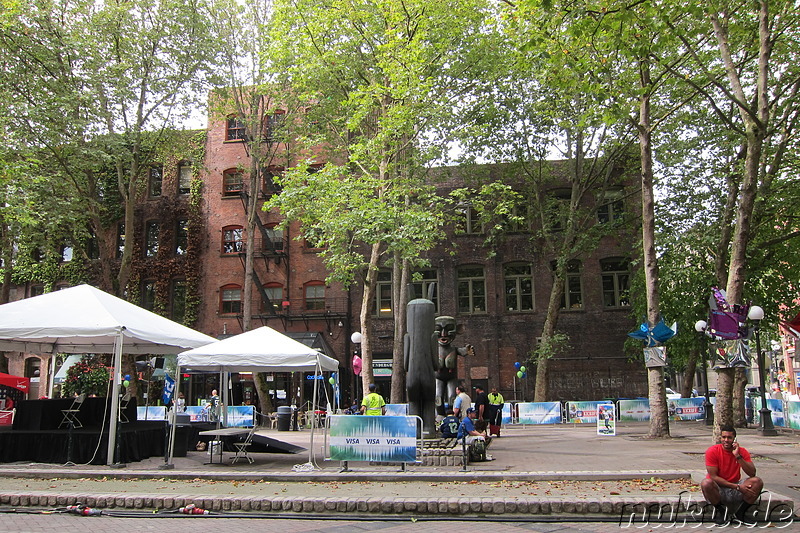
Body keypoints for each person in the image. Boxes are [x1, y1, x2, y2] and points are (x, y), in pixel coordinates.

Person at [700, 424, 764, 524]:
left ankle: (740, 513)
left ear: (734, 439)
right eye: (724, 437)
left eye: (729, 437)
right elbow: (713, 477)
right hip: (719, 489)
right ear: (720, 438)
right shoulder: (712, 451)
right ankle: (722, 512)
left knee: (757, 481)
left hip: (735, 487)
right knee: (706, 483)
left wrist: (738, 456)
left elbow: (752, 473)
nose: (726, 440)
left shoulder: (741, 451)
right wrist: (737, 487)